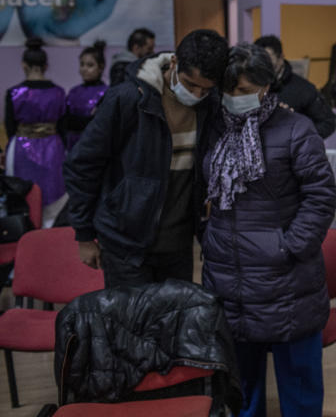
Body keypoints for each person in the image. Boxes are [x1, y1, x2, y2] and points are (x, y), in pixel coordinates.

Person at [201, 43, 336, 417]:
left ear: (265, 86)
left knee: (299, 382)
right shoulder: (214, 127)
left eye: (244, 88)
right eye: (229, 88)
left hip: (287, 280)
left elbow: (321, 195)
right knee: (242, 381)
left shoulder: (296, 129)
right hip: (230, 276)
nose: (235, 95)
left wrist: (289, 246)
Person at [63, 29, 229, 288]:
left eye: (205, 89)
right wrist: (84, 235)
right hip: (125, 245)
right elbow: (82, 165)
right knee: (132, 327)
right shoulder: (128, 98)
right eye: (190, 84)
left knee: (173, 325)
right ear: (173, 63)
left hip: (179, 245)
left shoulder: (211, 104)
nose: (196, 95)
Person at [4, 38, 67, 226]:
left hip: (21, 150)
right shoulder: (59, 92)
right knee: (53, 193)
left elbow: (10, 127)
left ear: (24, 65)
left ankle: (25, 232)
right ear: (46, 65)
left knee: (23, 192)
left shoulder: (14, 93)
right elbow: (63, 126)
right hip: (53, 149)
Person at [254, 34, 336, 138]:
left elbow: (327, 122)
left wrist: (300, 138)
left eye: (269, 62)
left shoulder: (303, 89)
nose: (265, 69)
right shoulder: (250, 88)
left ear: (281, 58)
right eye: (259, 63)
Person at [62, 40, 109, 152]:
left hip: (95, 147)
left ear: (101, 67)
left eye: (90, 65)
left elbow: (99, 125)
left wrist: (81, 122)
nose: (84, 69)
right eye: (82, 64)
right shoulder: (74, 92)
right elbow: (65, 121)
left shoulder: (107, 92)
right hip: (72, 146)